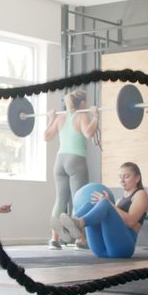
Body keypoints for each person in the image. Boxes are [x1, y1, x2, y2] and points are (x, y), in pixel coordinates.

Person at [45, 89, 99, 250]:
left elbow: (46, 136)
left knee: (60, 199)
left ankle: (54, 239)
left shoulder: (61, 117)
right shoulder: (82, 115)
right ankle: (80, 240)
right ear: (82, 103)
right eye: (86, 102)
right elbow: (89, 133)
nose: (87, 104)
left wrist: (51, 119)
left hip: (60, 161)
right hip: (76, 160)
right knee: (79, 200)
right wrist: (96, 116)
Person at [68, 162, 148, 259]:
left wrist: (108, 203)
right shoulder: (119, 200)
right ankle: (70, 223)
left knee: (104, 203)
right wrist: (105, 203)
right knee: (91, 205)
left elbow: (130, 222)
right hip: (101, 249)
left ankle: (79, 223)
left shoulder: (140, 194)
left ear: (137, 178)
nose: (122, 180)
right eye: (120, 177)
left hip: (123, 248)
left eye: (126, 177)